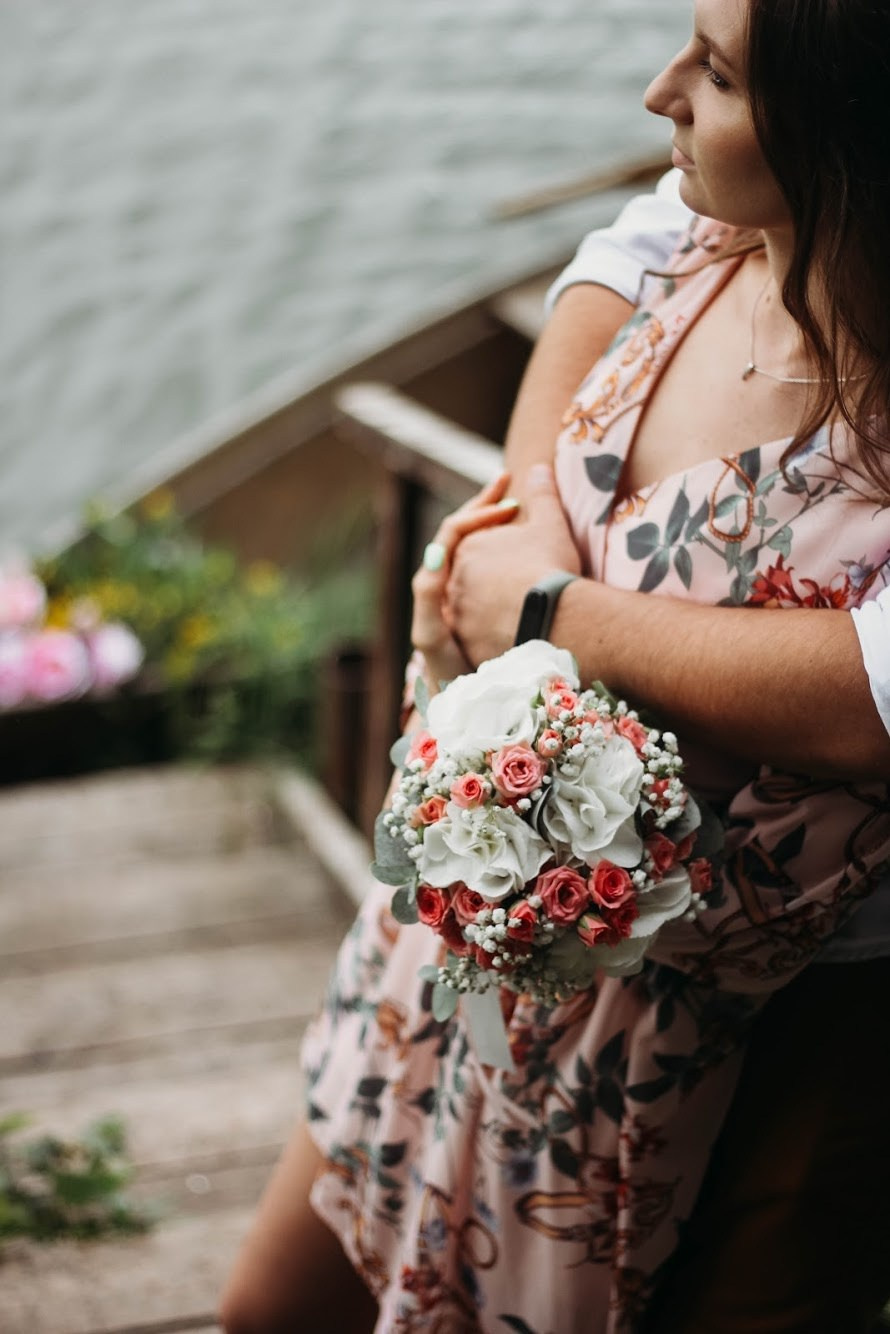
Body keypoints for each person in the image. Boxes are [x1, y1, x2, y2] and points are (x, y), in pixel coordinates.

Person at [219, 1, 890, 1330]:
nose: (658, 93)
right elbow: (595, 293)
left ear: (847, 137)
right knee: (269, 1312)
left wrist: (538, 608)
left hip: (743, 1037)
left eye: (713, 74)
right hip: (467, 947)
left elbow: (870, 701)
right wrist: (515, 511)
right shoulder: (700, 234)